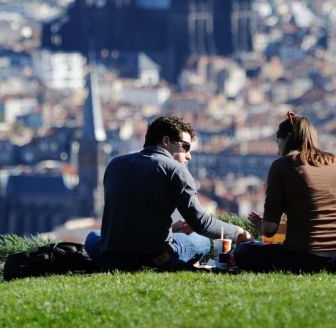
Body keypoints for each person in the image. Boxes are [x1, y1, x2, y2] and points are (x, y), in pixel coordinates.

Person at [85, 115, 252, 271]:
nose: (189, 156)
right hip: (153, 259)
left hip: (111, 258)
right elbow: (201, 224)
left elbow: (129, 219)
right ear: (165, 141)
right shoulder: (175, 169)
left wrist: (172, 229)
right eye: (185, 147)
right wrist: (239, 232)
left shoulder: (115, 164)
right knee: (202, 241)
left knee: (93, 236)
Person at [232, 111, 336, 274]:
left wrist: (260, 225)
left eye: (277, 142)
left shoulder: (281, 166)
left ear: (287, 137)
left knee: (242, 252)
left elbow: (269, 230)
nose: (277, 150)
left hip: (304, 258)